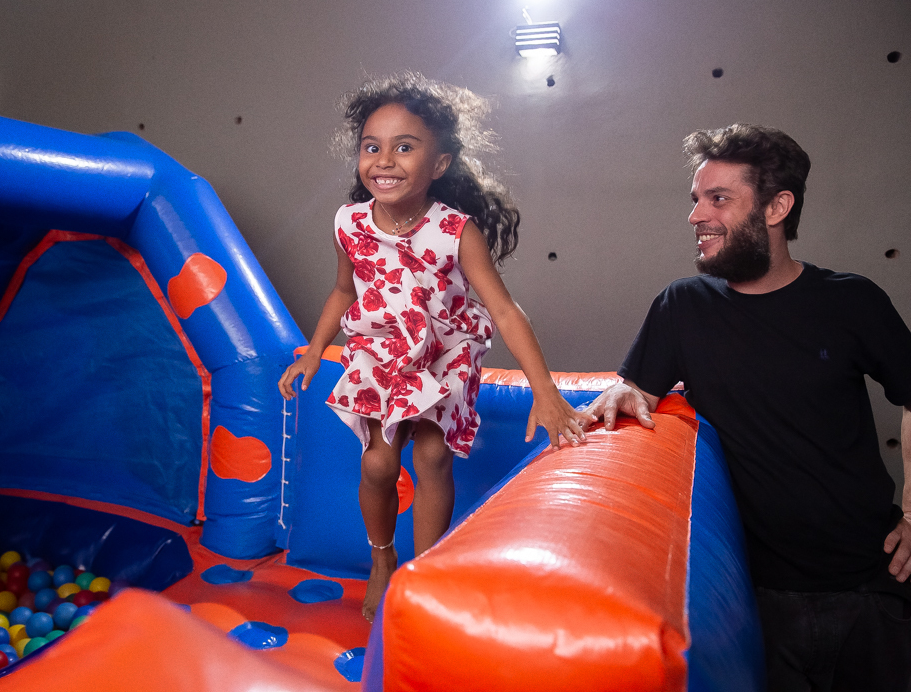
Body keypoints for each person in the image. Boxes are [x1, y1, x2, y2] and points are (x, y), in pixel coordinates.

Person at [585, 123, 911, 690]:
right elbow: (637, 389)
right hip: (754, 601)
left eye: (719, 199)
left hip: (873, 582)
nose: (696, 216)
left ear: (777, 207)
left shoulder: (852, 299)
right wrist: (621, 389)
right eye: (695, 200)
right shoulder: (682, 305)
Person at [278, 72, 594, 622]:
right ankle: (382, 560)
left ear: (440, 164)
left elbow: (503, 309)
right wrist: (313, 349)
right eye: (372, 147)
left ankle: (422, 575)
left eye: (405, 147)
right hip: (381, 352)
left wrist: (545, 391)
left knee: (430, 454)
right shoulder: (350, 223)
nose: (385, 160)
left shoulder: (454, 230)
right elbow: (342, 290)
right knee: (377, 464)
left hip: (445, 353)